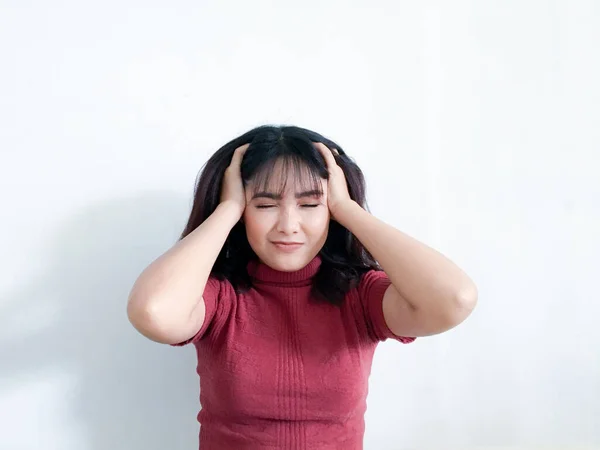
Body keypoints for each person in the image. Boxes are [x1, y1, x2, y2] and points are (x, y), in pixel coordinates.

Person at [126, 125, 478, 449]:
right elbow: (153, 312)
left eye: (310, 204)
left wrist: (347, 208)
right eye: (264, 204)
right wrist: (228, 208)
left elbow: (454, 299)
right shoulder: (219, 297)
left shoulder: (359, 296)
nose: (289, 225)